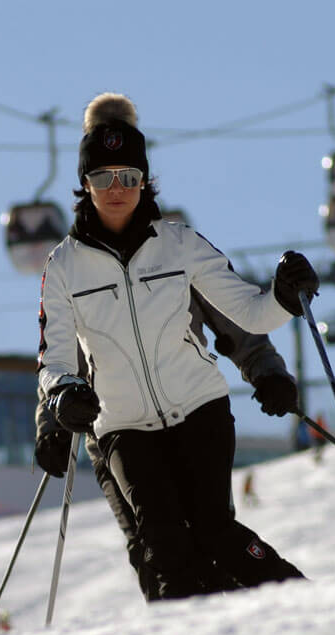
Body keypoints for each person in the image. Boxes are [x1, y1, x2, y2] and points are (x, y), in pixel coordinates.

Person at [36, 92, 312, 602]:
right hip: (120, 426)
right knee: (160, 548)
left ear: (145, 177)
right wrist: (56, 416)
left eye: (128, 176)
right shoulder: (64, 267)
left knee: (212, 533)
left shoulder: (178, 244)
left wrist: (285, 299)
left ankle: (295, 601)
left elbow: (244, 316)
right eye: (101, 176)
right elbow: (56, 361)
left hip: (198, 408)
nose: (116, 189)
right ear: (84, 180)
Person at [35, 283, 296, 600]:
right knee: (152, 547)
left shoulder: (176, 251)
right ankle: (177, 632)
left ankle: (281, 602)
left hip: (189, 418)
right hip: (114, 433)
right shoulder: (77, 268)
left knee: (211, 534)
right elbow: (57, 360)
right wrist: (53, 424)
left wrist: (268, 373)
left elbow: (238, 321)